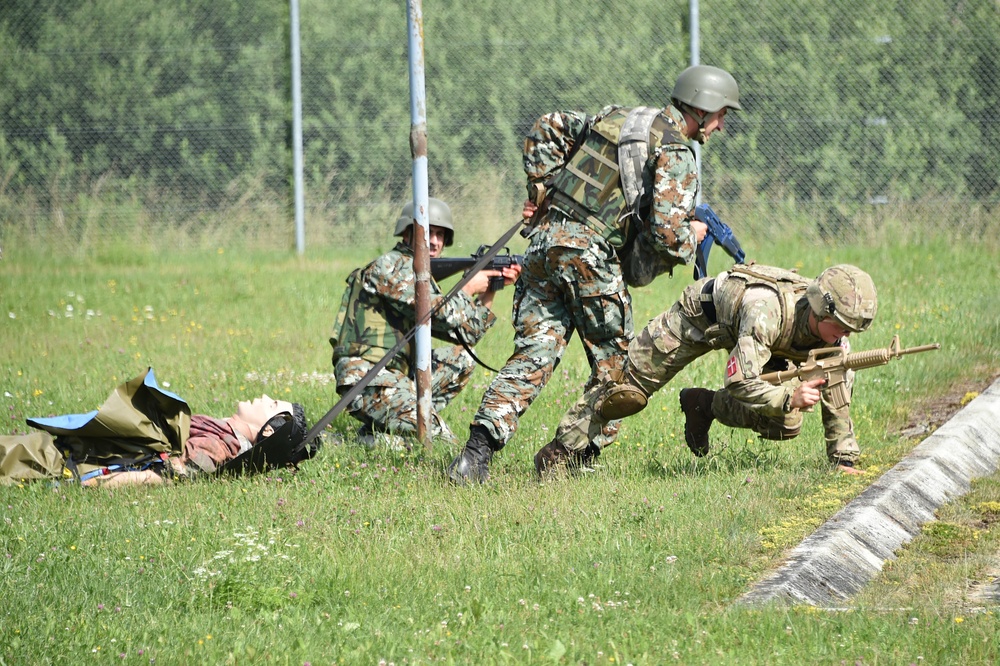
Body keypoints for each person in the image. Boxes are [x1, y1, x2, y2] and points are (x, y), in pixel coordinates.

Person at [447, 65, 743, 483]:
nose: (722, 125)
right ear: (704, 105)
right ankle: (571, 455)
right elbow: (665, 233)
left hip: (544, 246)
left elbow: (546, 128)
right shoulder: (676, 152)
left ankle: (474, 457)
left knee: (533, 354)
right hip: (589, 256)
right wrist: (692, 237)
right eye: (722, 114)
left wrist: (543, 191)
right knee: (620, 368)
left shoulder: (618, 117)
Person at [534, 264, 878, 476]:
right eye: (842, 327)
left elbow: (836, 381)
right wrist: (789, 396)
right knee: (626, 391)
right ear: (819, 311)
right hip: (700, 317)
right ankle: (558, 455)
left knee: (783, 423)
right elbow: (741, 380)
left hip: (757, 340)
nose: (846, 337)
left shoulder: (831, 335)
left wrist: (843, 459)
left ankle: (703, 405)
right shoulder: (766, 313)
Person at [330, 197, 521, 446]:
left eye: (440, 235)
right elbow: (439, 313)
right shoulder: (391, 266)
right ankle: (348, 443)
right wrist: (469, 287)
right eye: (427, 232)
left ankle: (380, 433)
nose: (433, 241)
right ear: (408, 232)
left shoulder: (420, 275)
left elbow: (466, 333)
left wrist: (491, 288)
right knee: (439, 442)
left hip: (394, 376)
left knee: (461, 358)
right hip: (367, 377)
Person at [16, 368, 315, 487]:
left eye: (273, 403)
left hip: (74, 459)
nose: (264, 396)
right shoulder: (224, 433)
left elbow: (164, 476)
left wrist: (94, 483)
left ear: (267, 432)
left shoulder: (221, 446)